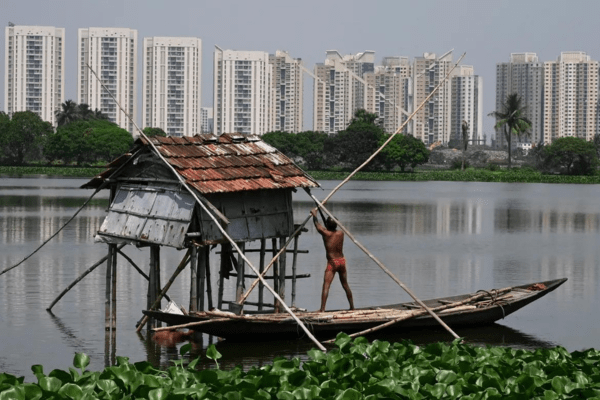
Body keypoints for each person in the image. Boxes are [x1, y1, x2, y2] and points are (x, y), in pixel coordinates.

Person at [311, 208, 354, 312]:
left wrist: (314, 215)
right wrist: (328, 222)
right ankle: (352, 307)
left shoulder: (327, 234)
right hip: (341, 262)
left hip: (332, 263)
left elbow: (318, 227)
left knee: (326, 285)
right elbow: (326, 228)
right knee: (345, 284)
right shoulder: (340, 234)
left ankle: (322, 309)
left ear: (327, 226)